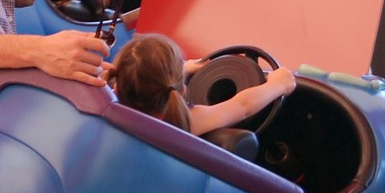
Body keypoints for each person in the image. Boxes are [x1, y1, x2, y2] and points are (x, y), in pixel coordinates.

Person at [107, 33, 295, 137]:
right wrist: (278, 85)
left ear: (117, 87)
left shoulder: (109, 109)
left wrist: (184, 69)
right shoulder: (184, 122)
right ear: (182, 90)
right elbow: (243, 106)